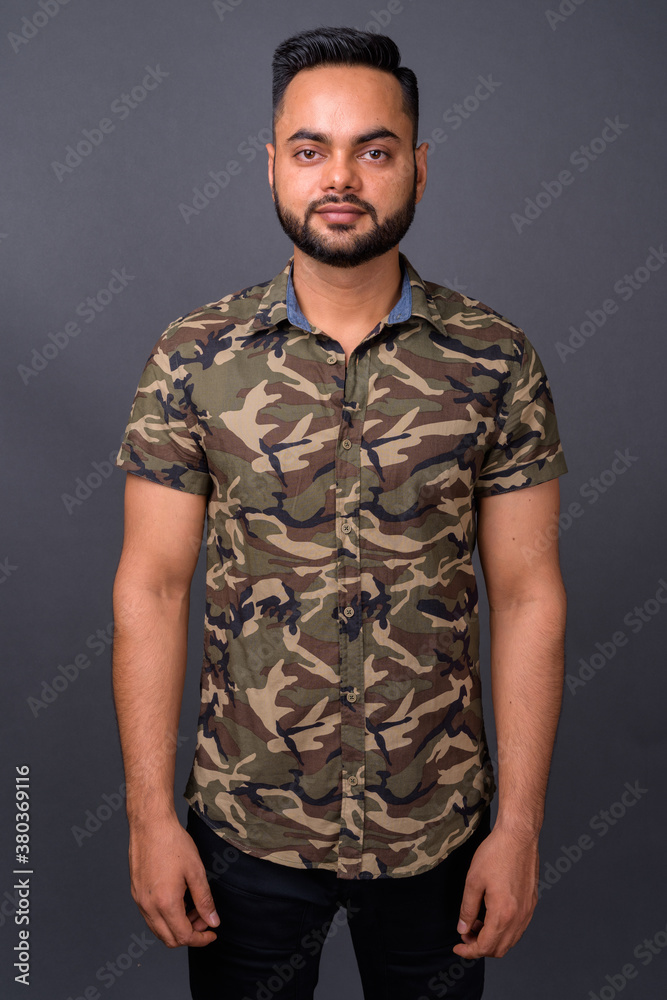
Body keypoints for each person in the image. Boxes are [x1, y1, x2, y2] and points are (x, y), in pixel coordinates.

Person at [111, 25, 568, 1000]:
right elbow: (151, 586)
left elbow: (528, 594)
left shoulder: (494, 359)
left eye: (375, 148)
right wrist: (152, 817)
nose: (341, 177)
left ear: (418, 165)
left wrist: (519, 826)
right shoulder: (194, 355)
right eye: (311, 149)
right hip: (244, 837)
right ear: (271, 163)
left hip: (438, 838)